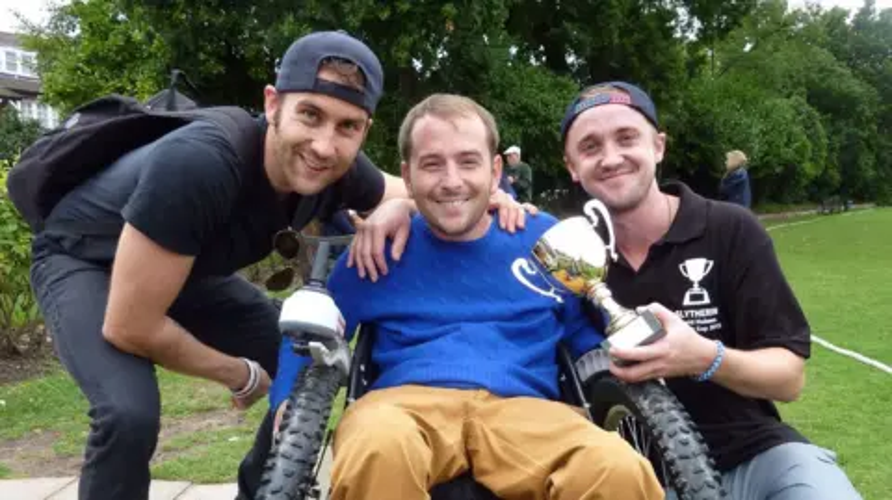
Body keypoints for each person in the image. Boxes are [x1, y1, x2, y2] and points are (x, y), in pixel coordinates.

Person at [27, 30, 527, 500]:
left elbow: (420, 192)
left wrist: (487, 200)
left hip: (188, 271)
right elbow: (130, 326)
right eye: (310, 115)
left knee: (302, 358)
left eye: (347, 126)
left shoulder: (337, 167)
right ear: (272, 104)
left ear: (363, 130)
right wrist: (239, 374)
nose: (324, 145)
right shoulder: (200, 164)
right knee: (128, 413)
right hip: (85, 261)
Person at [269, 93, 663, 500]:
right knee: (377, 447)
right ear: (407, 175)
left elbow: (583, 335)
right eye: (432, 164)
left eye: (468, 162)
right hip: (403, 408)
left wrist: (622, 361)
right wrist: (288, 406)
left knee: (616, 469)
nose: (452, 181)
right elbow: (314, 333)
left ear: (495, 171)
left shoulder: (542, 238)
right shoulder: (377, 250)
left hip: (530, 411)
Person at [559, 81, 862, 500]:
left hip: (755, 455)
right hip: (638, 478)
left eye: (626, 138)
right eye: (590, 147)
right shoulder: (568, 257)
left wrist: (703, 357)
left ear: (658, 146)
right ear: (572, 166)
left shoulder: (731, 229)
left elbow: (789, 379)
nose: (611, 158)